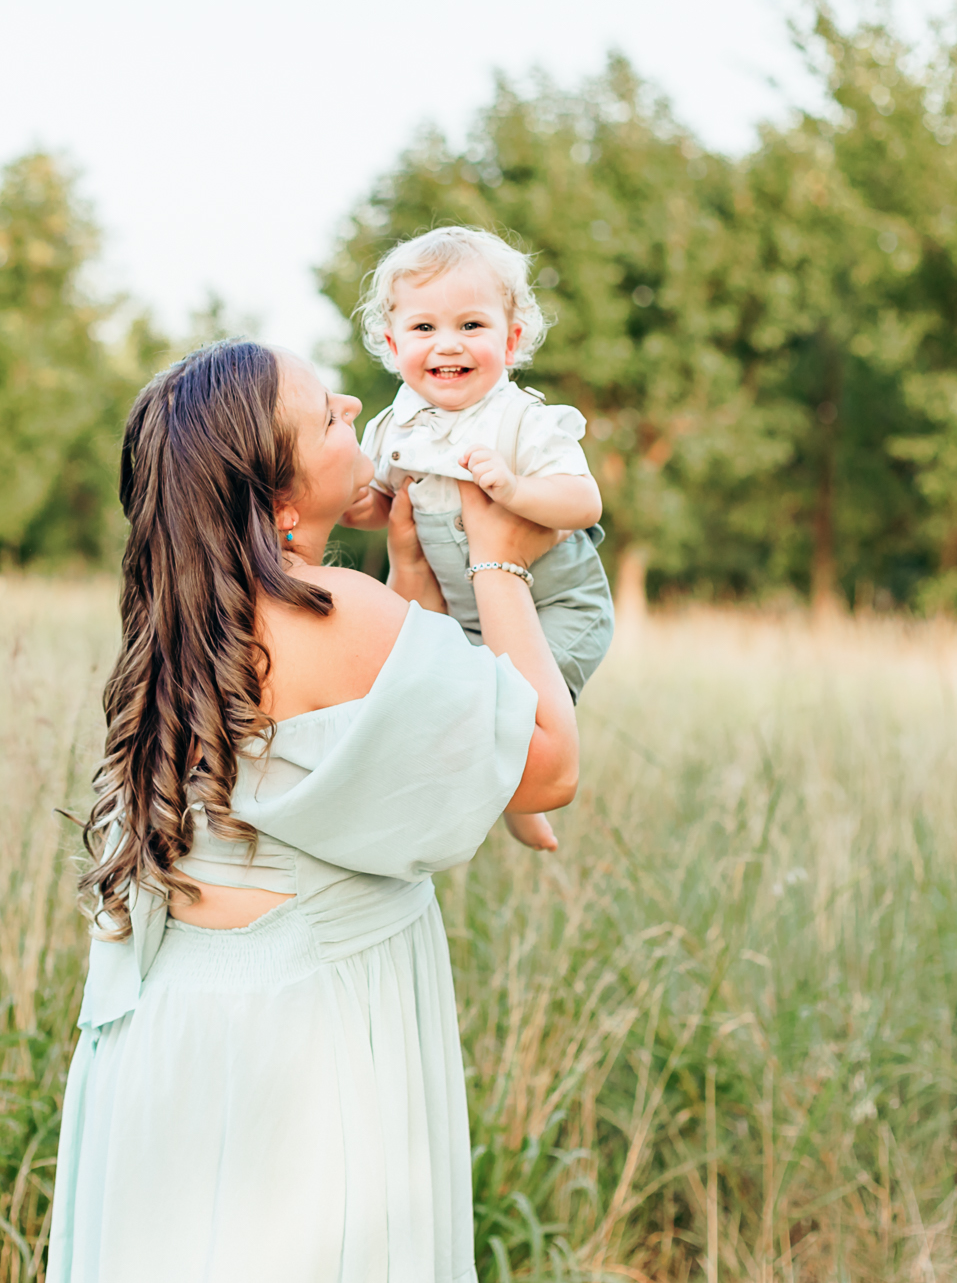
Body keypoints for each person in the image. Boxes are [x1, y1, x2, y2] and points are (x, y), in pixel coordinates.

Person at [48, 339, 580, 1282]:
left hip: (175, 1030)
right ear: (278, 498)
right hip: (306, 1043)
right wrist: (502, 563)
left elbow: (372, 741)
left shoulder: (183, 619)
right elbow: (546, 769)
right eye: (324, 413)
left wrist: (406, 566)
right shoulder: (338, 610)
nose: (350, 399)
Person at [339, 226, 614, 854]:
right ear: (392, 342)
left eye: (471, 326)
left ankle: (525, 795)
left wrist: (515, 491)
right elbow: (385, 506)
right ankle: (514, 794)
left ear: (512, 340)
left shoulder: (524, 420)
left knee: (523, 710)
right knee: (452, 703)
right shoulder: (392, 427)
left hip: (556, 608)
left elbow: (584, 500)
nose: (448, 345)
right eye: (424, 328)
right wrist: (361, 508)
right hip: (467, 617)